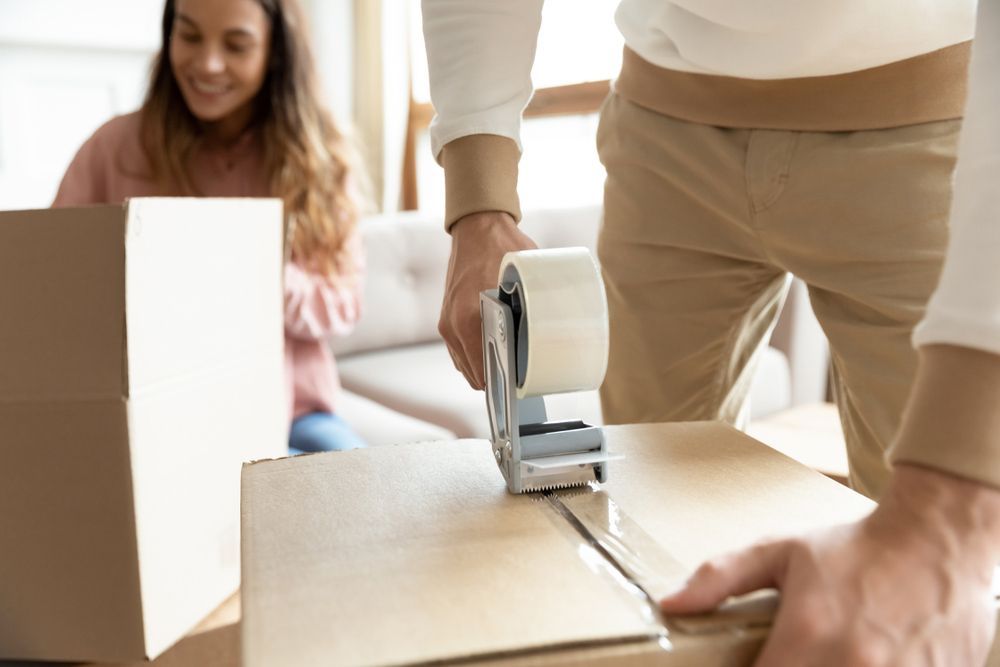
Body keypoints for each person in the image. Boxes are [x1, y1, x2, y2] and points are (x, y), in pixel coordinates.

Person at [423, 0, 1000, 663]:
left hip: (926, 112)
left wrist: (949, 512)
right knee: (650, 528)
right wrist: (478, 201)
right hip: (666, 129)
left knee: (946, 580)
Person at [53, 0, 365, 456]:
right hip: (151, 407)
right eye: (190, 36)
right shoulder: (113, 149)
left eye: (236, 45)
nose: (208, 63)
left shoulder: (319, 162)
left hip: (296, 411)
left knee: (359, 488)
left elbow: (343, 304)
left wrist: (257, 269)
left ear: (275, 52)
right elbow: (52, 280)